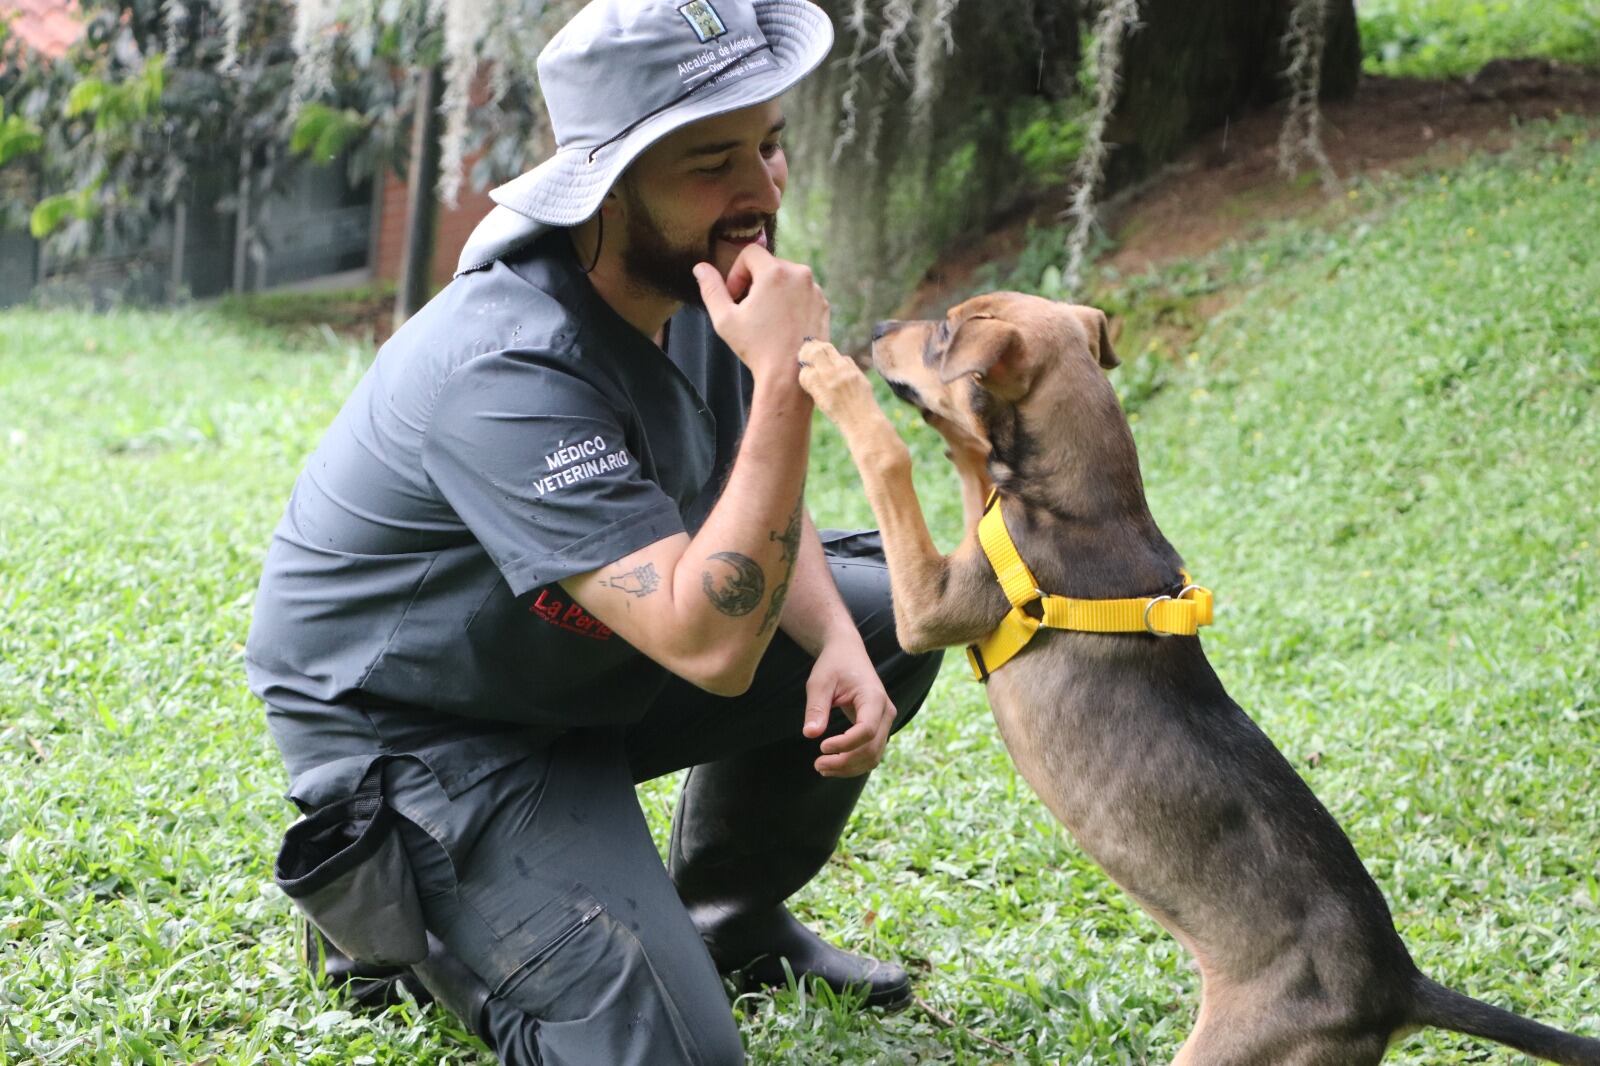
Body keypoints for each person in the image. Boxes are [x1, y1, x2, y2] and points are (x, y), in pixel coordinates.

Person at [244, 0, 943, 1063]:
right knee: (675, 1052)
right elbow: (711, 645)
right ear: (606, 184)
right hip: (430, 724)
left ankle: (729, 917)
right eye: (712, 162)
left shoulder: (697, 275)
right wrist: (784, 383)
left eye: (768, 144)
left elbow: (740, 493)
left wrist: (840, 642)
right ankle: (409, 913)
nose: (761, 192)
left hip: (585, 650)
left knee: (892, 616)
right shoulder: (506, 365)